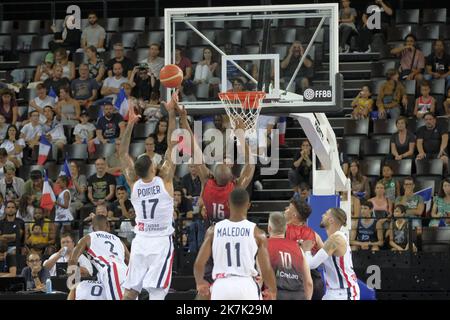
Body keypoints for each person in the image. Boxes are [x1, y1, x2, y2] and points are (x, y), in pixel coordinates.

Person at [119, 92, 178, 301]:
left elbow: (122, 154)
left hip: (140, 241)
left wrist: (131, 123)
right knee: (156, 293)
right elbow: (172, 145)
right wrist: (171, 113)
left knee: (130, 292)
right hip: (160, 241)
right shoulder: (165, 182)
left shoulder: (134, 185)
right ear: (153, 167)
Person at [194, 188, 277, 300]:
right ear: (248, 205)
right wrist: (272, 290)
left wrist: (200, 282)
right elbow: (266, 268)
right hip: (246, 286)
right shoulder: (257, 233)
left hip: (221, 286)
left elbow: (199, 263)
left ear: (227, 204)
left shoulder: (213, 231)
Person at [300, 208, 360, 300]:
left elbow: (311, 265)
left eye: (326, 214)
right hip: (334, 292)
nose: (322, 215)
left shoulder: (335, 240)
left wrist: (306, 250)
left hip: (344, 292)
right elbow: (321, 261)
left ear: (331, 220)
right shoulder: (334, 239)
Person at [68, 215, 130, 300]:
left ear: (93, 228)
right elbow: (129, 260)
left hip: (111, 269)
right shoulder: (119, 240)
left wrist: (71, 280)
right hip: (125, 271)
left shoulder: (88, 237)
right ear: (108, 225)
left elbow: (73, 259)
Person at [284, 198, 324, 300]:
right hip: (313, 279)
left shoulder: (282, 231)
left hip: (290, 278)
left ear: (294, 215)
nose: (286, 209)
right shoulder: (314, 235)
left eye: (289, 208)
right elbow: (326, 257)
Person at [267, 212, 313, 300]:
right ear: (286, 228)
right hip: (298, 296)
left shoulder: (264, 246)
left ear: (269, 228)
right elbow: (309, 283)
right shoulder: (298, 248)